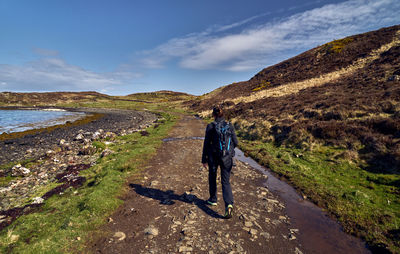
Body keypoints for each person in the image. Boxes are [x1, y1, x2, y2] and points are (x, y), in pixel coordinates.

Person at [202, 105, 238, 219]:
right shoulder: (229, 125)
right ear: (223, 115)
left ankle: (213, 199)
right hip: (227, 158)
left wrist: (204, 159)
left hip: (213, 157)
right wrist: (229, 151)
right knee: (226, 182)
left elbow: (206, 144)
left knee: (212, 177)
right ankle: (229, 204)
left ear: (213, 114)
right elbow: (236, 142)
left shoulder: (210, 126)